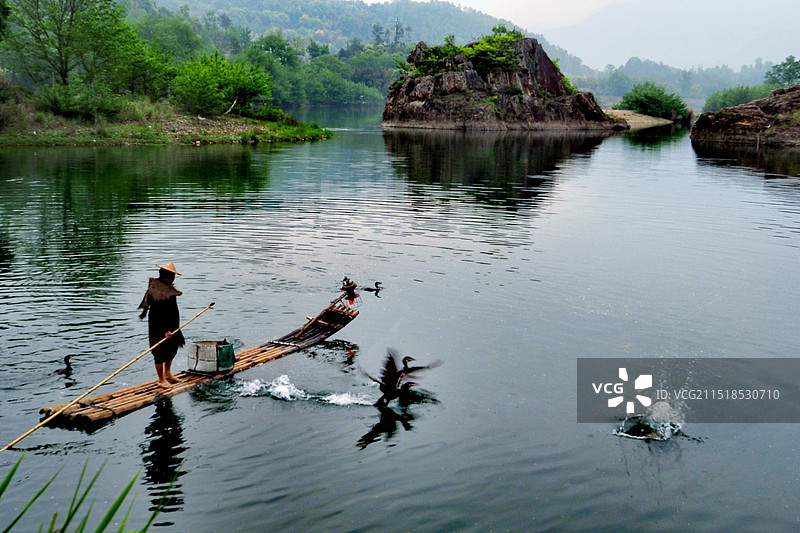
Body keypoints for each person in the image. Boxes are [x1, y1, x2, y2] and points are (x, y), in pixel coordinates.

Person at [138, 262, 185, 388]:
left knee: (172, 348)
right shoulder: (157, 289)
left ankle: (168, 374)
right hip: (159, 325)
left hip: (171, 324)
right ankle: (161, 380)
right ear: (168, 276)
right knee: (159, 351)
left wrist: (173, 327)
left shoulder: (167, 287)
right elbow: (158, 313)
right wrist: (166, 330)